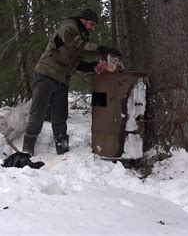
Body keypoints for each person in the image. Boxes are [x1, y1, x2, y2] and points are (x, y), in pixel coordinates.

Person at [22, 8, 122, 156]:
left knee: (60, 116)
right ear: (83, 20)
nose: (92, 28)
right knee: (38, 113)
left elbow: (77, 63)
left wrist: (94, 67)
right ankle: (27, 150)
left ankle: (62, 150)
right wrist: (103, 49)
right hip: (45, 75)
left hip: (61, 80)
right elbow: (77, 47)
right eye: (91, 24)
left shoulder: (80, 35)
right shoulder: (68, 27)